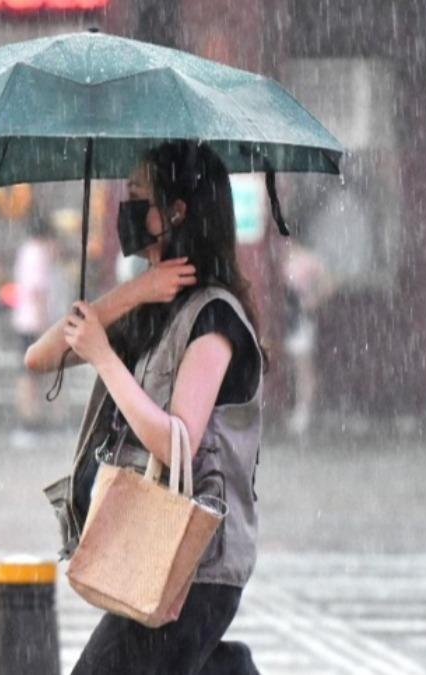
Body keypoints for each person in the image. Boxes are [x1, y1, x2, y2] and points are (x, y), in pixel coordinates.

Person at [28, 141, 264, 674]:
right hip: (149, 548)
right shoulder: (152, 307)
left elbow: (175, 440)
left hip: (193, 563)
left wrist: (105, 358)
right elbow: (39, 358)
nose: (125, 209)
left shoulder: (213, 320)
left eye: (137, 196)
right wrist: (131, 294)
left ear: (175, 211)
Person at [11, 215, 60, 437]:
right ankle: (30, 421)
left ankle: (29, 420)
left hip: (24, 321)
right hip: (34, 323)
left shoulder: (26, 250)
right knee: (31, 375)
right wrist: (44, 328)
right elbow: (38, 292)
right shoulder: (38, 254)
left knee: (28, 373)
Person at [282, 244, 335, 436]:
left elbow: (328, 283)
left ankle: (303, 410)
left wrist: (311, 301)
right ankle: (298, 408)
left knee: (303, 366)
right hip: (287, 318)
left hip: (299, 319)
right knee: (295, 366)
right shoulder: (282, 258)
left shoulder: (306, 260)